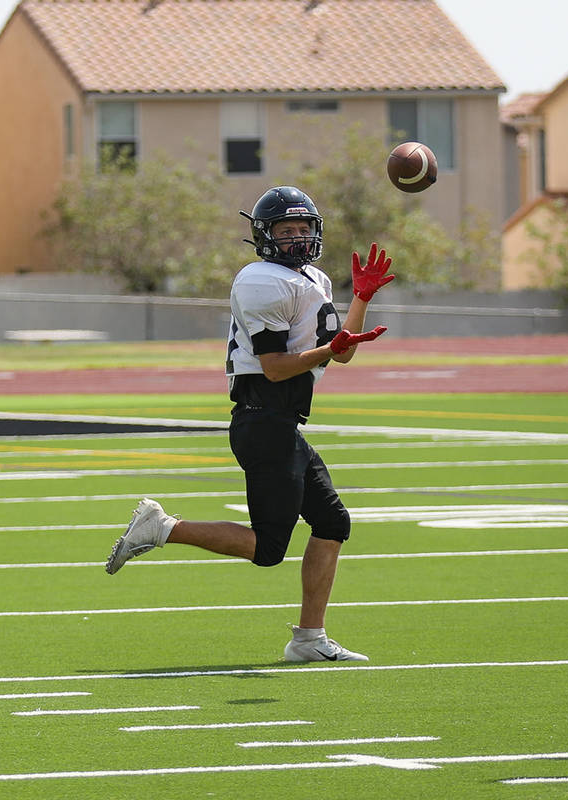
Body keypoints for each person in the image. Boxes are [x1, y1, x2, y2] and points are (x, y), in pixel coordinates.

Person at [104, 185, 393, 663]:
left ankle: (309, 640)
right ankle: (163, 527)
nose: (297, 238)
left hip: (282, 423)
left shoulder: (314, 279)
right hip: (263, 419)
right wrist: (331, 349)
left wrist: (360, 298)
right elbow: (278, 366)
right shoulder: (260, 280)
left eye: (303, 228)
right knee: (267, 548)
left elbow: (343, 349)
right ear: (264, 237)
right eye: (286, 230)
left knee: (332, 522)